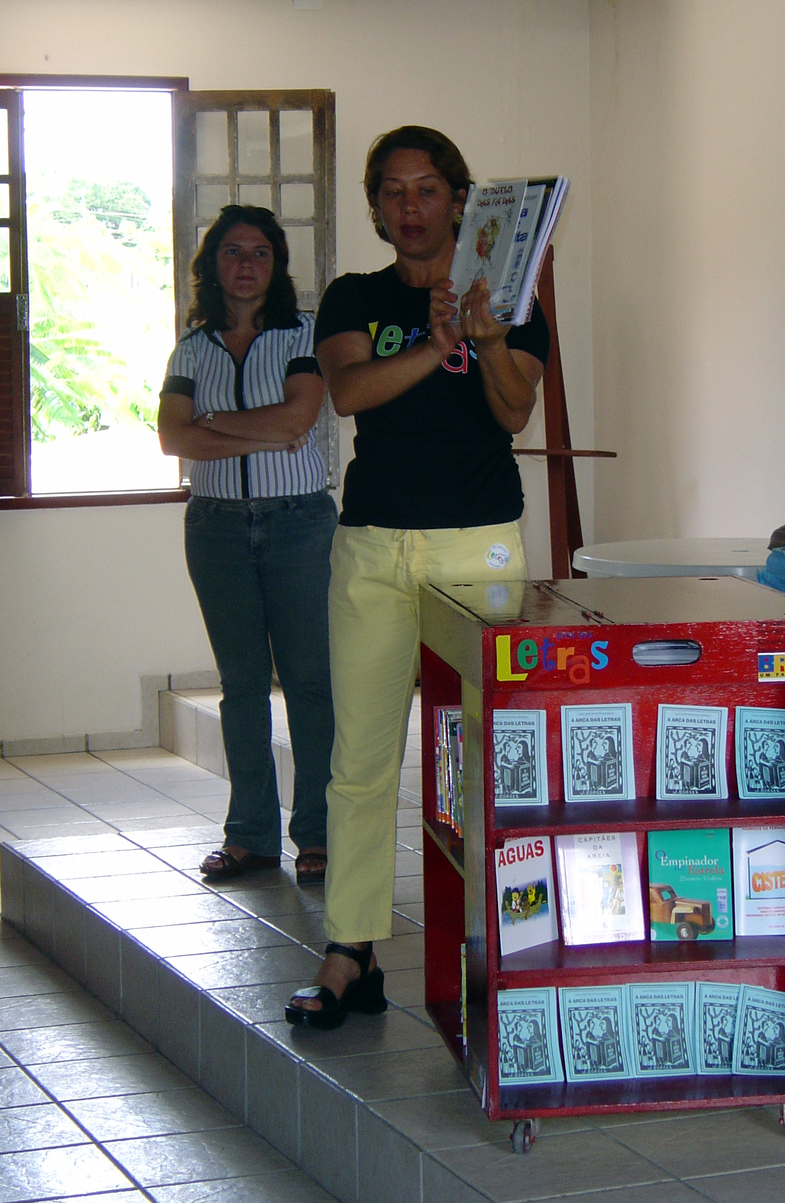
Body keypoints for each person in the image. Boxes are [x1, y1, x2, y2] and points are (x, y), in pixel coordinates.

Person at [284, 126, 550, 1029]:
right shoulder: (354, 296)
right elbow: (351, 392)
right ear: (375, 208)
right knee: (360, 762)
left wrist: (489, 335)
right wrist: (437, 343)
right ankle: (350, 949)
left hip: (477, 547)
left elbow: (514, 410)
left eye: (427, 189)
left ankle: (495, 945)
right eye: (392, 192)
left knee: (483, 760)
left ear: (459, 199)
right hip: (372, 549)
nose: (410, 207)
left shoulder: (507, 295)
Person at [157, 204, 337, 888]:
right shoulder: (192, 347)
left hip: (298, 523)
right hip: (216, 528)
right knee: (240, 686)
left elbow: (301, 415)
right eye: (233, 251)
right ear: (213, 265)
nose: (247, 264)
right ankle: (251, 834)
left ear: (276, 266)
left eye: (261, 253)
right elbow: (175, 438)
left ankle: (316, 832)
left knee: (310, 684)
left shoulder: (303, 333)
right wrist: (262, 431)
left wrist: (218, 422)